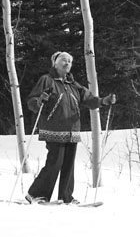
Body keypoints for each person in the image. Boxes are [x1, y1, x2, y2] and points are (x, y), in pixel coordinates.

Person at [25, 51, 116, 204]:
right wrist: (40, 100)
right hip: (53, 128)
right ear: (55, 62)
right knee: (55, 163)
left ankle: (66, 197)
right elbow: (32, 100)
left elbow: (89, 99)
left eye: (69, 61)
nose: (67, 63)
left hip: (72, 130)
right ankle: (35, 194)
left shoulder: (73, 85)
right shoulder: (47, 80)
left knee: (68, 165)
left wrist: (104, 101)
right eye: (63, 60)